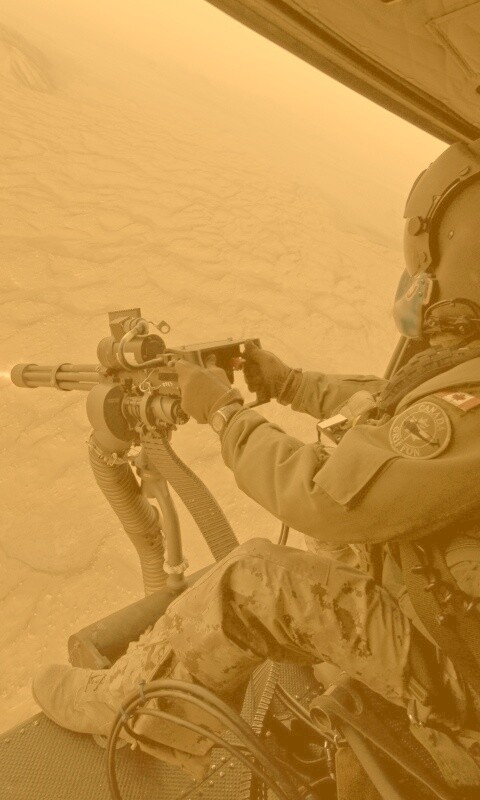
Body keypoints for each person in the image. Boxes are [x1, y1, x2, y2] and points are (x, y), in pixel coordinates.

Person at [33, 138, 480, 790]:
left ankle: (123, 710)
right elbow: (388, 413)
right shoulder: (464, 375)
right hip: (461, 643)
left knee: (253, 579)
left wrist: (224, 414)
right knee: (332, 553)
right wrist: (291, 384)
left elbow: (327, 496)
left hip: (465, 703)